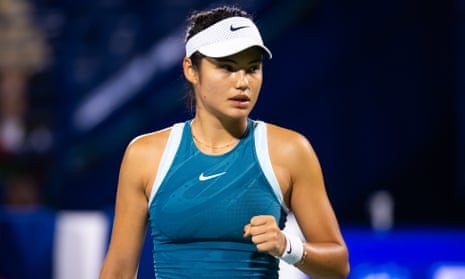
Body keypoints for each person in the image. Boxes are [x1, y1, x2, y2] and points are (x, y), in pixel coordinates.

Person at [100, 5, 349, 279]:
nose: (242, 82)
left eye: (252, 68)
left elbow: (339, 266)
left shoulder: (290, 151)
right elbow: (118, 272)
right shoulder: (144, 156)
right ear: (191, 70)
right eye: (227, 68)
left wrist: (288, 246)